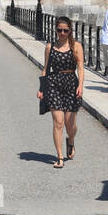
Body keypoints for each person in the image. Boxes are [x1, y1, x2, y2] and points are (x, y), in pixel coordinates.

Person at [37, 15, 85, 168]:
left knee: (70, 126)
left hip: (71, 83)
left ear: (70, 31)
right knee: (58, 122)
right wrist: (41, 89)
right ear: (56, 30)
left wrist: (81, 85)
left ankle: (70, 140)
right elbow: (45, 68)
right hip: (54, 84)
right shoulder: (50, 47)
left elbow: (81, 67)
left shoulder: (76, 46)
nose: (62, 33)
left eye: (65, 30)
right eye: (59, 30)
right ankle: (59, 156)